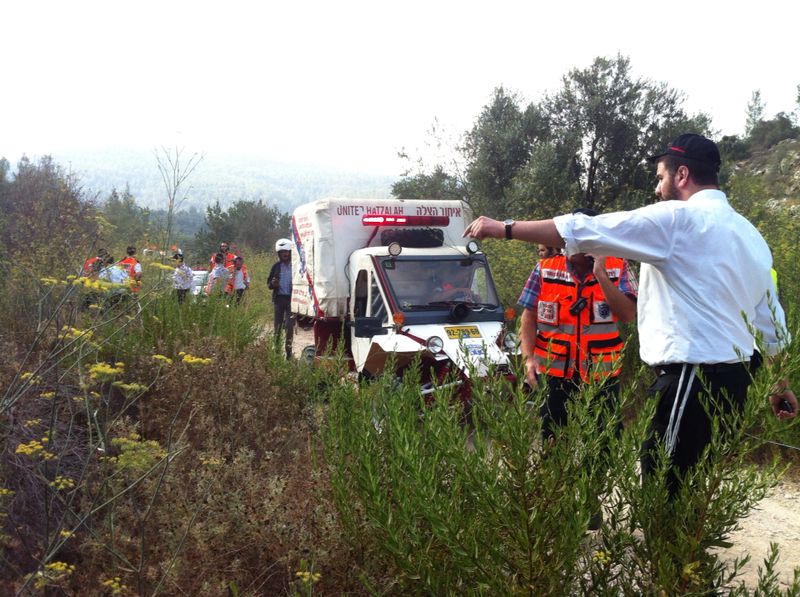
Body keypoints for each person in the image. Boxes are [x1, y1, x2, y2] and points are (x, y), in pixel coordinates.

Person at [464, 133, 797, 494]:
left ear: (681, 174)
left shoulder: (677, 220)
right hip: (737, 380)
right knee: (693, 485)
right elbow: (770, 322)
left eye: (659, 177)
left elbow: (586, 228)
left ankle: (668, 549)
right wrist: (779, 385)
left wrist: (505, 228)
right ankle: (684, 548)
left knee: (663, 487)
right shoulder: (749, 235)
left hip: (691, 378)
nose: (657, 188)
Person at [268, 238, 294, 358]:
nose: (285, 253)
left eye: (287, 251)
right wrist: (273, 284)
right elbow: (269, 284)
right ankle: (276, 351)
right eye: (283, 251)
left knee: (289, 326)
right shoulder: (276, 266)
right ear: (279, 254)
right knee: (277, 327)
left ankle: (288, 352)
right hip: (279, 300)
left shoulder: (296, 266)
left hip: (291, 300)